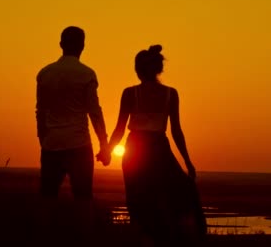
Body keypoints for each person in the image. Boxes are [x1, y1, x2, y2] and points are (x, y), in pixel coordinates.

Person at [105, 45, 207, 246]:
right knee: (174, 192)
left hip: (136, 148)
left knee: (138, 196)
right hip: (158, 148)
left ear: (137, 70)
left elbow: (119, 129)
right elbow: (176, 131)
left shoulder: (130, 93)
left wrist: (108, 150)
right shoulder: (170, 93)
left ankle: (150, 237)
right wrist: (187, 161)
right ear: (158, 69)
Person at [35, 26, 110, 240]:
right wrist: (104, 144)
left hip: (51, 145)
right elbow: (94, 112)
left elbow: (40, 111)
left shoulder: (45, 74)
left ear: (61, 44)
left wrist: (43, 139)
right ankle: (84, 240)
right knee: (83, 199)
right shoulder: (86, 74)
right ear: (83, 46)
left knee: (47, 197)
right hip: (79, 145)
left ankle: (43, 239)